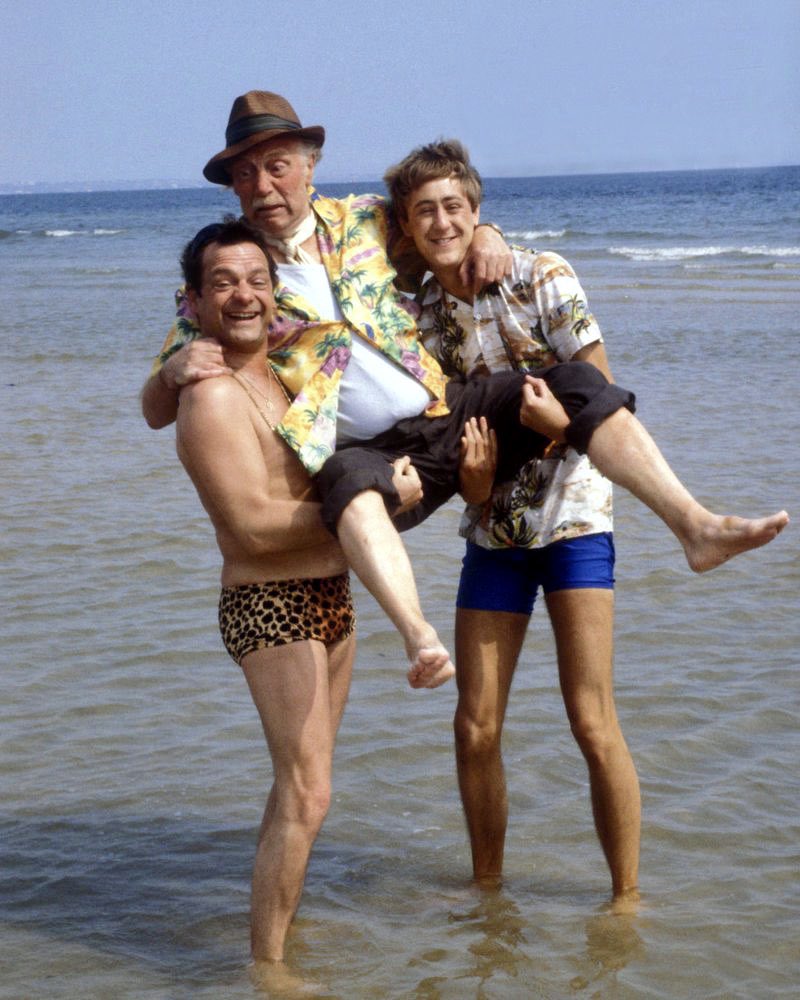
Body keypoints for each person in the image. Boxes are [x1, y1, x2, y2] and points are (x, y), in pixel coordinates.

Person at [143, 90, 788, 690]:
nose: (263, 187)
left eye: (277, 166)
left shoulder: (367, 220)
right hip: (373, 450)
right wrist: (169, 376)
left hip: (444, 407)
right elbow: (153, 409)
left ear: (310, 166)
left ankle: (696, 526)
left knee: (577, 382)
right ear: (233, 186)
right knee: (344, 483)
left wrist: (488, 232)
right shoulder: (238, 276)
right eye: (245, 175)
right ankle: (418, 636)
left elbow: (443, 224)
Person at [382, 139, 789, 904]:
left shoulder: (541, 274)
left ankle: (625, 901)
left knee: (591, 721)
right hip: (494, 533)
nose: (442, 222)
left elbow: (597, 389)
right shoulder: (417, 322)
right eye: (424, 211)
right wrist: (471, 487)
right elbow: (452, 452)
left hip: (575, 517)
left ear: (477, 211)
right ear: (406, 225)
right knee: (474, 727)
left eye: (455, 207)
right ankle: (488, 892)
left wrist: (559, 427)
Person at [172, 217, 364, 973]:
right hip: (270, 604)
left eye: (256, 279)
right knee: (309, 791)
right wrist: (367, 515)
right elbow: (250, 526)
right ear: (193, 302)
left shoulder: (285, 369)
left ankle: (276, 930)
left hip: (328, 594)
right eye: (223, 283)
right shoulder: (209, 394)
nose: (243, 295)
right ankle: (269, 970)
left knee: (300, 787)